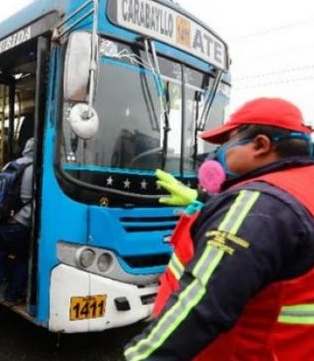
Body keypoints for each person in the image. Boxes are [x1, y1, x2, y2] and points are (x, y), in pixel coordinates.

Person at [124, 97, 314, 360]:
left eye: (227, 142)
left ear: (260, 145)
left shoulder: (256, 205)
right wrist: (205, 202)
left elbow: (201, 306)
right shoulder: (301, 188)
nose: (217, 154)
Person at [0, 137, 34, 316]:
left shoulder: (10, 165)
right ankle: (12, 295)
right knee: (22, 259)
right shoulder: (37, 170)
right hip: (17, 225)